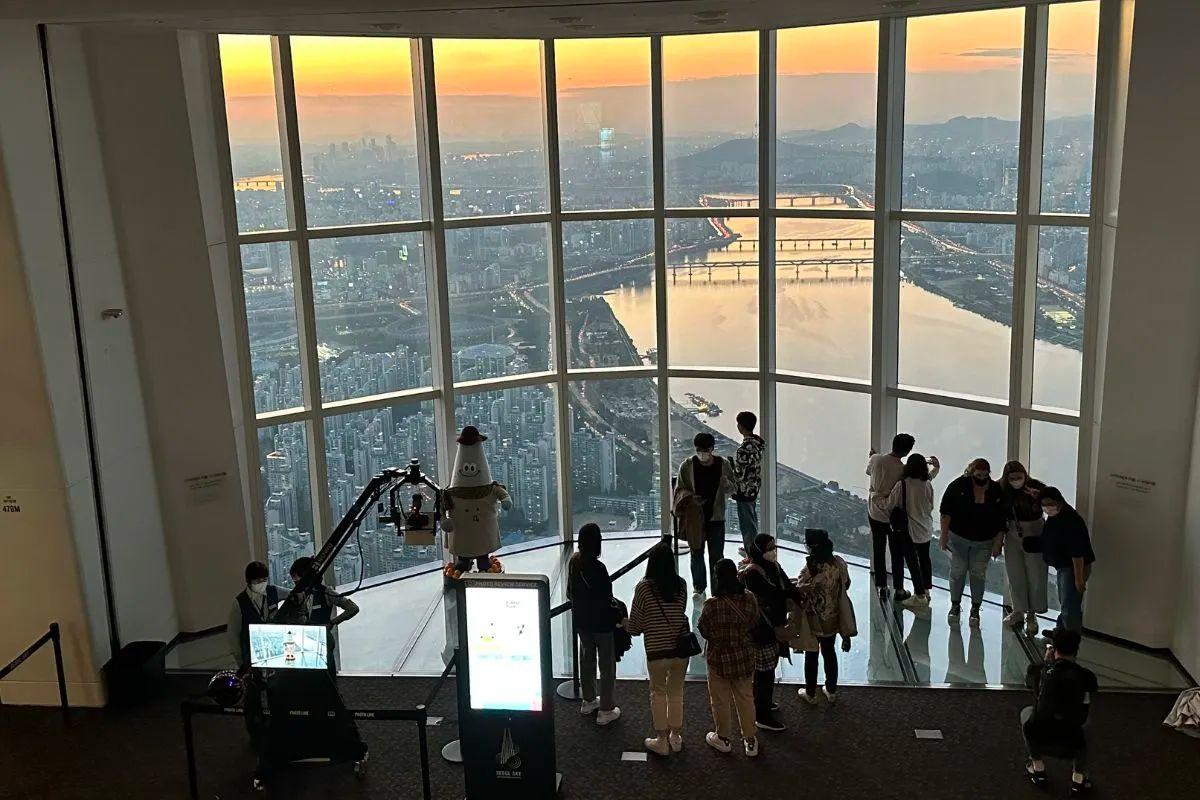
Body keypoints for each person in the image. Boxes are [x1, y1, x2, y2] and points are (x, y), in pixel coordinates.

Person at [626, 543, 691, 756]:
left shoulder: (644, 588)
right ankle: (676, 736)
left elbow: (635, 626)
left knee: (658, 693)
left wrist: (624, 624)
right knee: (676, 691)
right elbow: (679, 613)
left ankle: (661, 740)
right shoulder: (681, 585)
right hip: (680, 649)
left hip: (657, 650)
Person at [1021, 630, 1098, 795]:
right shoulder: (1086, 676)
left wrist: (1046, 664)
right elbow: (1089, 696)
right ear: (1076, 651)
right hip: (1072, 742)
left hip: (1040, 736)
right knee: (1088, 724)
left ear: (1053, 649)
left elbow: (1030, 686)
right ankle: (1078, 779)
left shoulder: (1038, 670)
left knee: (1027, 713)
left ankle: (1038, 769)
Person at [697, 559, 760, 757]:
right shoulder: (749, 598)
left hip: (719, 659)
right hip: (744, 656)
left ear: (717, 578)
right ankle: (750, 740)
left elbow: (703, 629)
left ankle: (723, 738)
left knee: (720, 700)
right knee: (746, 698)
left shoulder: (711, 605)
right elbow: (754, 622)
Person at [741, 533, 801, 732]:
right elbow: (772, 594)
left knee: (767, 668)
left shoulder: (772, 567)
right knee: (765, 671)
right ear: (759, 551)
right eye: (769, 548)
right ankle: (762, 714)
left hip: (773, 625)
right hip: (761, 629)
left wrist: (797, 594)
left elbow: (786, 586)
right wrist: (793, 593)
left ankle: (762, 701)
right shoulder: (753, 573)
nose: (772, 551)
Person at [938, 458, 1007, 627]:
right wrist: (943, 535)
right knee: (957, 572)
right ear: (971, 473)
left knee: (978, 574)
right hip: (958, 538)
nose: (981, 478)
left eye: (985, 475)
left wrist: (999, 543)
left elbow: (1002, 520)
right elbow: (946, 512)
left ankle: (975, 608)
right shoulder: (958, 486)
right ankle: (955, 605)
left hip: (984, 541)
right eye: (978, 475)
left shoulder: (996, 491)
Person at [793, 528, 856, 704]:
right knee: (829, 653)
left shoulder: (810, 568)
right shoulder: (839, 563)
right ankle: (831, 690)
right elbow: (847, 584)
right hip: (832, 617)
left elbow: (800, 589)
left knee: (811, 655)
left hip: (813, 619)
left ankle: (810, 693)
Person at [567, 523, 621, 726]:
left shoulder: (574, 562)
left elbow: (569, 593)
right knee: (606, 665)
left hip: (581, 621)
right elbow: (607, 598)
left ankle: (588, 700)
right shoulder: (599, 568)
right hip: (602, 624)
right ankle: (606, 710)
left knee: (586, 659)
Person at [675, 431, 736, 599]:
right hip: (696, 517)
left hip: (716, 517)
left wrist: (727, 484)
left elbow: (733, 489)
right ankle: (699, 588)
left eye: (704, 450)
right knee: (696, 553)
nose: (701, 454)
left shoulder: (723, 464)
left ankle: (718, 590)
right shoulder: (687, 466)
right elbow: (679, 490)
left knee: (716, 556)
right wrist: (691, 497)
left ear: (712, 449)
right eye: (698, 450)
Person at [884, 453, 941, 611]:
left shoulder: (902, 485)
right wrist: (937, 468)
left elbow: (889, 505)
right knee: (924, 559)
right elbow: (930, 505)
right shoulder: (926, 484)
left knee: (910, 561)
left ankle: (919, 595)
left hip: (908, 530)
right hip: (925, 528)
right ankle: (926, 590)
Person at [867, 433, 919, 601]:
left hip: (874, 512)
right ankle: (899, 588)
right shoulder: (903, 470)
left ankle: (881, 586)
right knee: (897, 553)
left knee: (878, 548)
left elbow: (870, 472)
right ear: (907, 451)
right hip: (893, 517)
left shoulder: (876, 459)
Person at [287, 557, 360, 676]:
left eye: (297, 579)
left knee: (327, 677)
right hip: (303, 644)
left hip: (323, 643)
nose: (295, 583)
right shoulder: (296, 596)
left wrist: (332, 622)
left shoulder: (326, 592)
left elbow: (352, 608)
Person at [999, 461, 1049, 636]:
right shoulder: (1002, 490)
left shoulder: (1036, 487)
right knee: (1015, 573)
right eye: (1012, 478)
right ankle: (1018, 610)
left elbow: (1054, 501)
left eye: (1019, 477)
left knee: (1036, 573)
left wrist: (1039, 497)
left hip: (1034, 531)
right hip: (1012, 533)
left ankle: (1032, 614)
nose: (1016, 481)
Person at [1039, 487, 1095, 636]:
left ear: (1059, 501)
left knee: (1070, 607)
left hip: (1073, 568)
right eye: (1044, 504)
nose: (1047, 507)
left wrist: (1079, 579)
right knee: (1066, 603)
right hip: (1064, 566)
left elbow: (1077, 553)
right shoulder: (1057, 515)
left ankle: (1069, 640)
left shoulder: (1070, 520)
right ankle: (1061, 632)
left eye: (1050, 503)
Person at [227, 561, 286, 670]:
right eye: (257, 581)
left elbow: (293, 594)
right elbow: (233, 634)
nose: (262, 584)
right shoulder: (240, 602)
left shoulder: (273, 591)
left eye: (264, 580)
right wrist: (240, 662)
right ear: (249, 581)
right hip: (252, 652)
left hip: (273, 648)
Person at [732, 411, 765, 554]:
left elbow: (739, 473)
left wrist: (731, 467)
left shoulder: (743, 449)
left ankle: (751, 552)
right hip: (754, 487)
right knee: (752, 519)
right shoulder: (758, 443)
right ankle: (752, 547)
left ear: (740, 427)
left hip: (744, 490)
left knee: (746, 524)